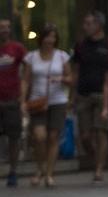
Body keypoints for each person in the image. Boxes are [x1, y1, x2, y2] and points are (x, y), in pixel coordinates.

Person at [22, 24, 72, 188]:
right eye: (47, 36)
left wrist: (61, 80)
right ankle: (40, 168)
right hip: (38, 101)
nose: (50, 40)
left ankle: (49, 174)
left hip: (57, 100)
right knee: (39, 136)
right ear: (41, 38)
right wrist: (22, 100)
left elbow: (70, 79)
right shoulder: (32, 57)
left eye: (53, 37)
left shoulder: (62, 56)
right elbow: (26, 80)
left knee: (53, 137)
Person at [73, 11, 108, 183]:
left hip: (102, 93)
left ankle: (98, 169)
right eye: (85, 23)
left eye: (89, 23)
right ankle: (95, 156)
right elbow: (75, 70)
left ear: (98, 25)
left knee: (101, 131)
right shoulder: (81, 46)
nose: (86, 27)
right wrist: (72, 95)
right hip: (84, 93)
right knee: (85, 135)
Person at [0, 19, 25, 187]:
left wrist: (22, 97)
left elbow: (27, 70)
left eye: (7, 28)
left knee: (13, 137)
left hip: (12, 100)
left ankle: (13, 171)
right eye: (2, 28)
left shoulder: (17, 48)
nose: (4, 31)